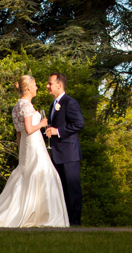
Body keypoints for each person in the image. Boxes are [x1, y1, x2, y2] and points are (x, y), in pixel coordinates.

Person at [0, 75, 68, 227]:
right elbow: (28, 129)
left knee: (32, 174)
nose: (38, 87)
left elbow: (19, 133)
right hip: (34, 144)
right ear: (29, 88)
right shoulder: (26, 105)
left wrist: (22, 152)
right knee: (44, 174)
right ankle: (44, 217)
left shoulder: (17, 106)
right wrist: (42, 123)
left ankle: (33, 213)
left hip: (27, 145)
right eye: (35, 85)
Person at [44, 72, 85, 225]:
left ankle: (75, 224)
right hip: (57, 154)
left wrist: (58, 131)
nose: (47, 86)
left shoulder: (70, 102)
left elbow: (79, 124)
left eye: (50, 83)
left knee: (72, 191)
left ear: (59, 85)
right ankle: (64, 222)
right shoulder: (53, 105)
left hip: (69, 154)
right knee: (61, 191)